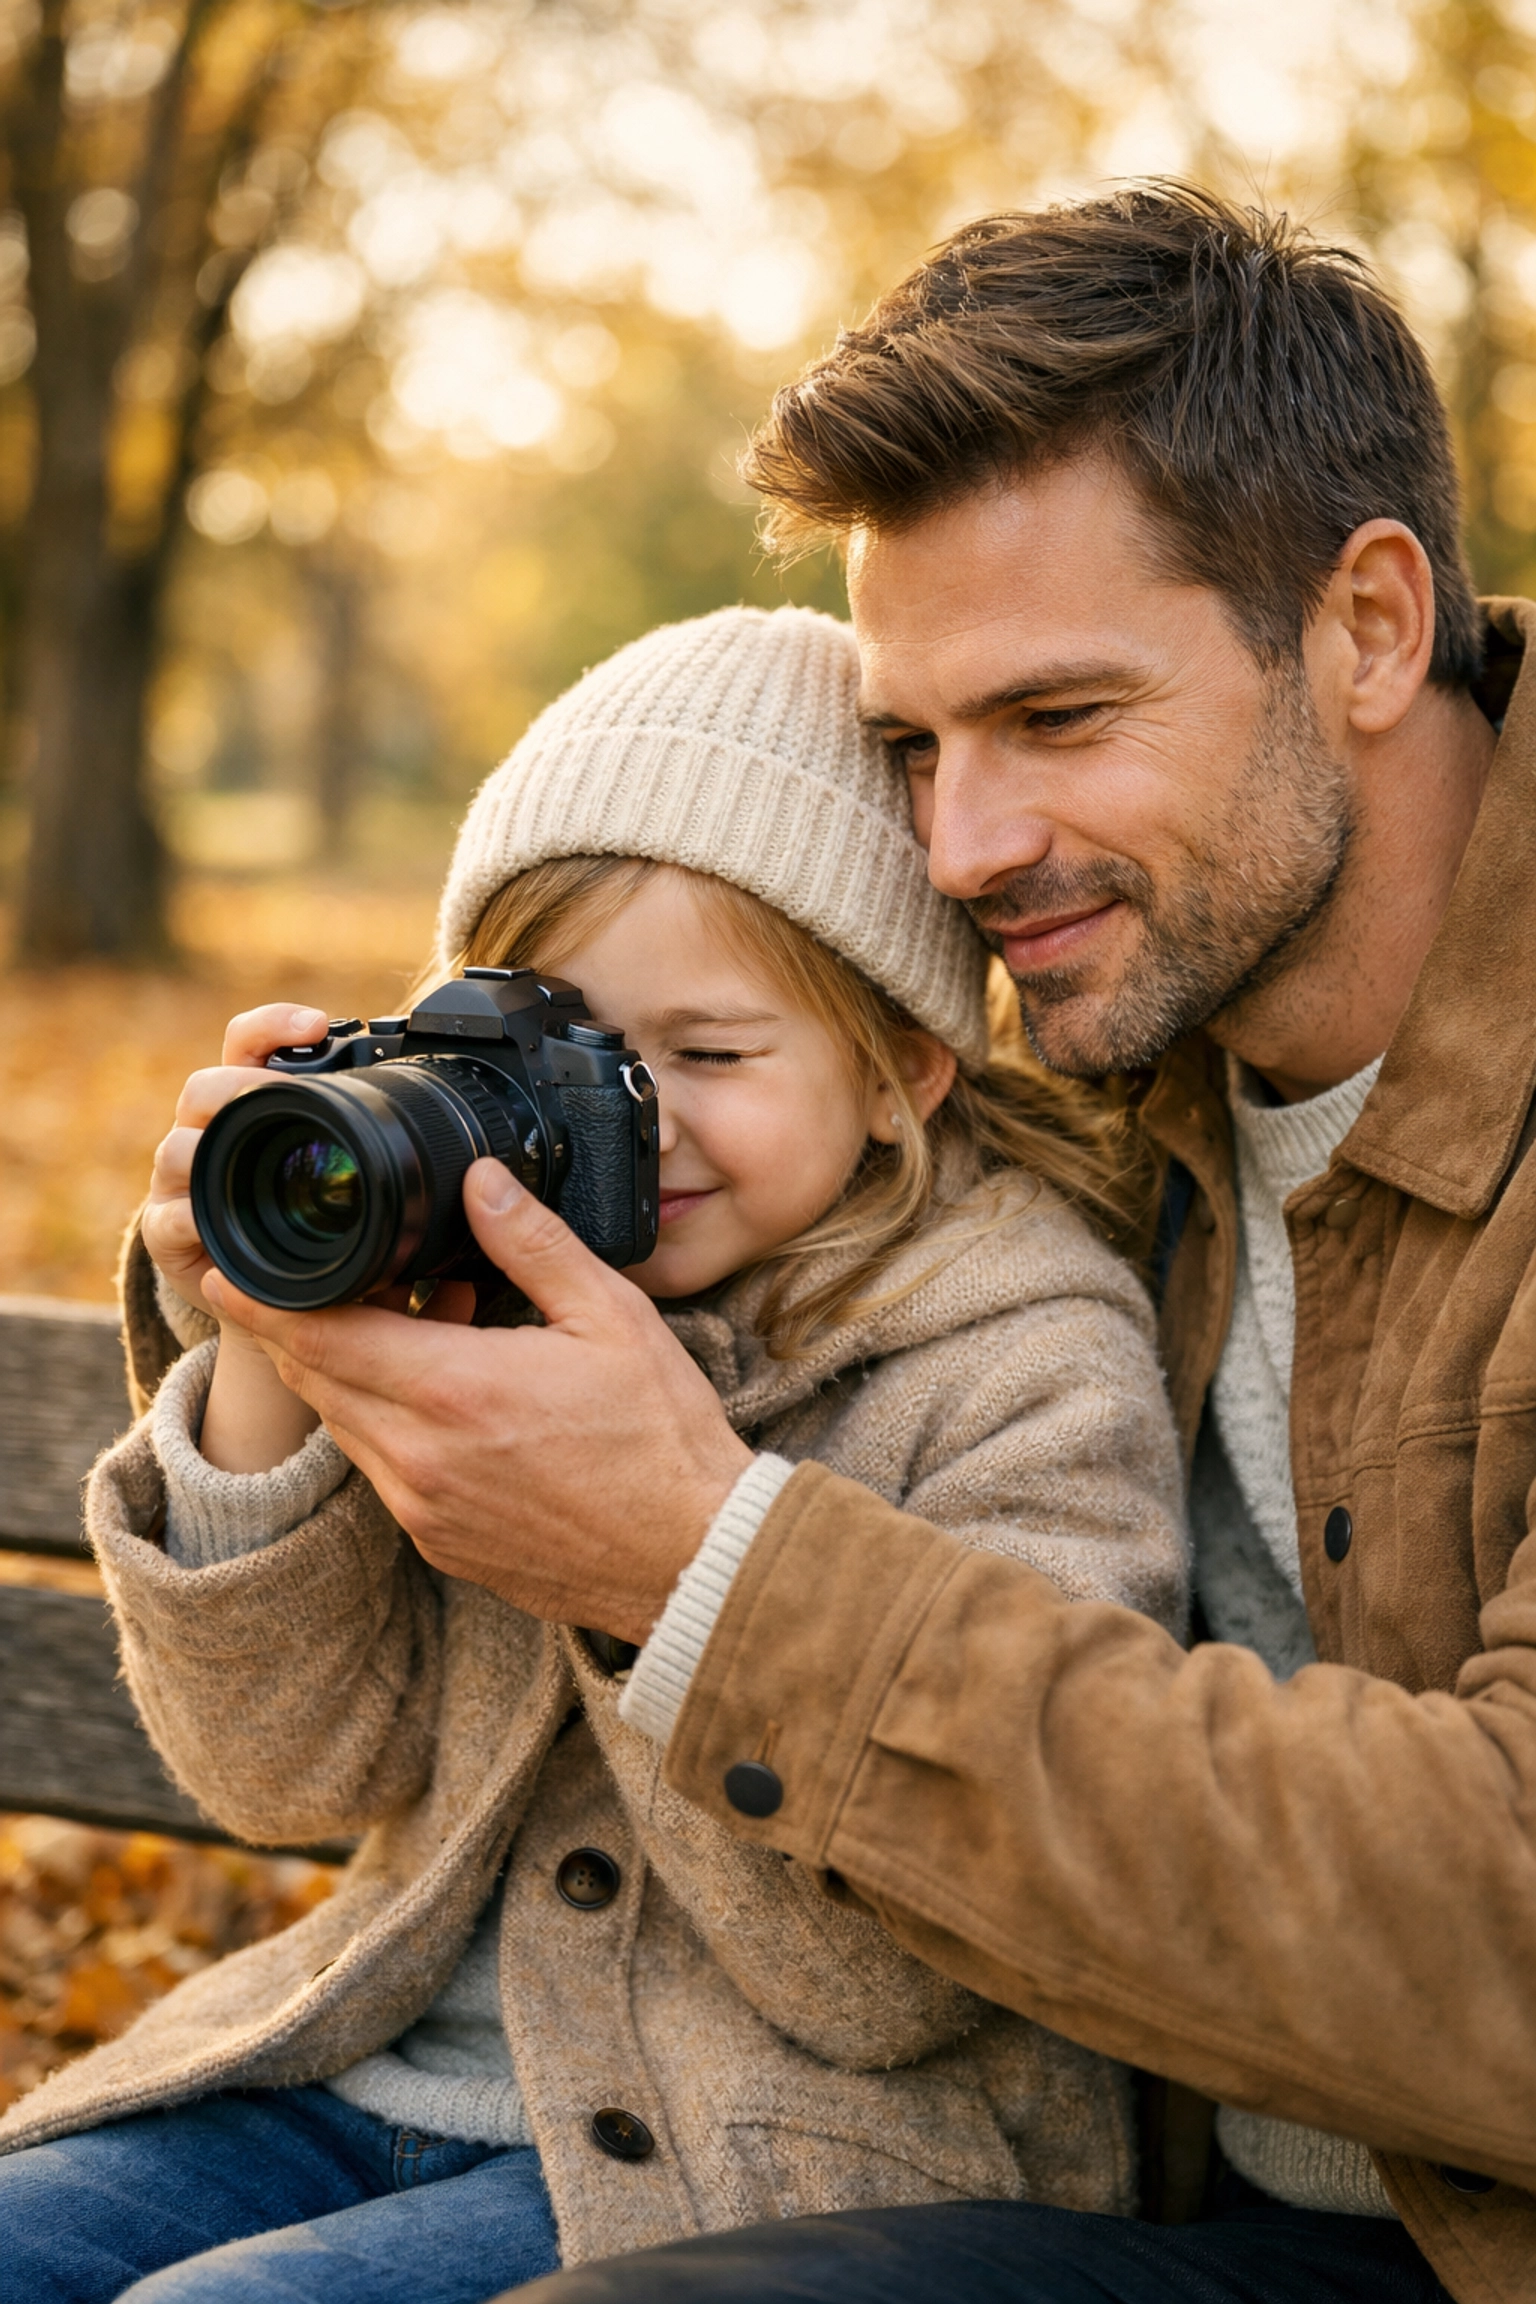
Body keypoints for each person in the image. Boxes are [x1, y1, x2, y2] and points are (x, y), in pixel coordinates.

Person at [111, 184, 1536, 2304]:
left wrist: (690, 1563)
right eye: (909, 746)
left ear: (1367, 627)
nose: (958, 852)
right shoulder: (1114, 1057)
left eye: (1057, 720)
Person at [0, 606, 1189, 2303]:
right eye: (566, 1059)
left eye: (708, 1055)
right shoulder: (477, 1291)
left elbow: (904, 1987)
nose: (636, 1120)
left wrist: (663, 1542)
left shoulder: (1028, 1363)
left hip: (795, 2155)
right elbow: (283, 1775)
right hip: (371, 2067)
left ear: (905, 1072)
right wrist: (276, 1346)